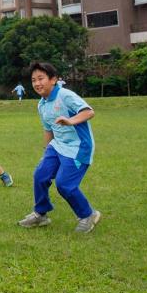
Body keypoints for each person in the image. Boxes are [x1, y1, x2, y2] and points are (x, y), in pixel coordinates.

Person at [18, 61, 101, 233]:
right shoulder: (41, 104)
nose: (37, 83)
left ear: (53, 79)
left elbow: (89, 112)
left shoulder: (65, 95)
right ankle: (41, 214)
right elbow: (48, 129)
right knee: (40, 175)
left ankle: (88, 215)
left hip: (78, 147)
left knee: (65, 184)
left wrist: (70, 120)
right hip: (57, 146)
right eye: (34, 80)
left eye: (41, 78)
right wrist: (45, 153)